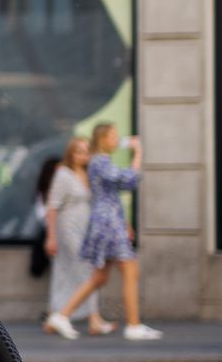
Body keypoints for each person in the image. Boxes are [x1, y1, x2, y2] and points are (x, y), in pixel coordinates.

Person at [51, 123, 163, 340]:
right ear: (102, 138)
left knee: (99, 277)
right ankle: (133, 325)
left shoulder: (99, 162)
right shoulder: (100, 161)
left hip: (109, 221)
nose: (116, 139)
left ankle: (62, 315)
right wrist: (137, 153)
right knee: (129, 269)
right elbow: (128, 180)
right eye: (113, 136)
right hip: (108, 222)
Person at [41, 137, 118, 339]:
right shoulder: (63, 174)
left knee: (70, 273)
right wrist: (51, 237)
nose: (84, 155)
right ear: (71, 154)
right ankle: (86, 318)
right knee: (88, 272)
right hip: (67, 228)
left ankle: (57, 316)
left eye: (86, 151)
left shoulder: (89, 174)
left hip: (86, 228)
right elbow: (52, 205)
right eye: (79, 151)